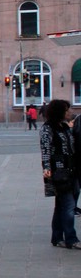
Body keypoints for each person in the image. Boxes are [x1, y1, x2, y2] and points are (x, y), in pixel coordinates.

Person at [40, 99, 78, 248]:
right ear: (60, 112)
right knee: (69, 205)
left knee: (61, 206)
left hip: (71, 170)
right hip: (59, 172)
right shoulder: (48, 128)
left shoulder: (65, 127)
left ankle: (57, 237)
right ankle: (71, 239)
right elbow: (46, 150)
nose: (70, 112)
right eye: (67, 110)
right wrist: (47, 168)